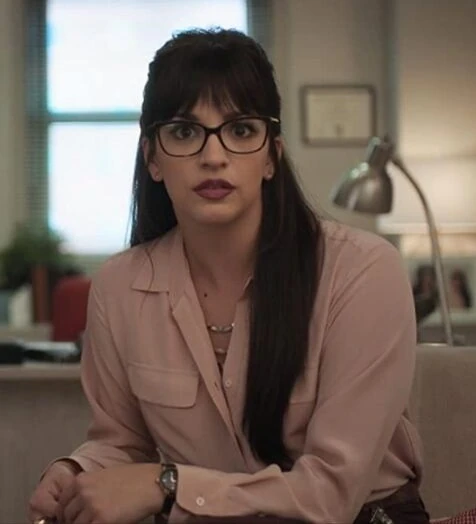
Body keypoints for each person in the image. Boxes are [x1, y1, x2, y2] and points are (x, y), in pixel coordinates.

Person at [28, 28, 429, 524]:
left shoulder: (362, 272)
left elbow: (332, 494)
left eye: (240, 130)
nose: (213, 156)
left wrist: (168, 485)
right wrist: (77, 471)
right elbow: (123, 444)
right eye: (184, 132)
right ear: (152, 158)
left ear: (271, 156)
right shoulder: (119, 286)